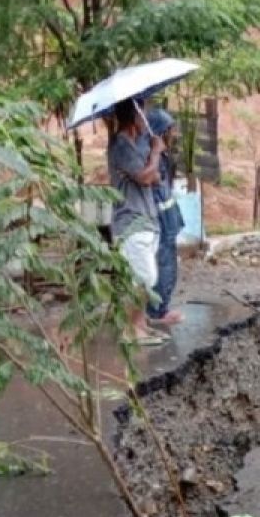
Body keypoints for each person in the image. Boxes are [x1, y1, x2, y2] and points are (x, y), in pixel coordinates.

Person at [107, 98, 167, 346]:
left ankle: (140, 325)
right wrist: (155, 153)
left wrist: (151, 160)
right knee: (144, 278)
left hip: (146, 218)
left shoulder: (137, 144)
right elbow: (145, 177)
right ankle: (131, 328)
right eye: (143, 113)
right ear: (134, 116)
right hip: (131, 221)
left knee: (141, 277)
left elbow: (157, 178)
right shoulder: (120, 145)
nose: (146, 118)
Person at [142, 108, 185, 325]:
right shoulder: (153, 157)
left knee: (168, 264)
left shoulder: (163, 156)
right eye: (169, 129)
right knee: (163, 264)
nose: (173, 133)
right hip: (161, 218)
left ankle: (161, 307)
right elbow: (155, 183)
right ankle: (157, 311)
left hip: (168, 217)